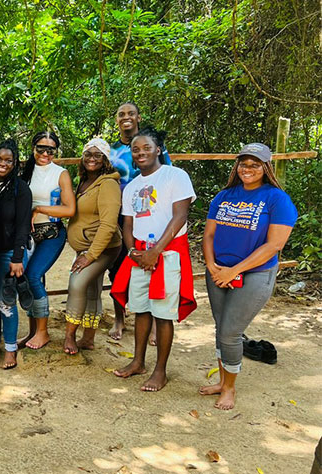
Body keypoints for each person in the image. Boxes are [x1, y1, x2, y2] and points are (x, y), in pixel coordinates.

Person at [200, 143, 296, 410]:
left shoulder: (277, 199)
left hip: (254, 274)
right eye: (244, 163)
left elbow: (274, 245)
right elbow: (209, 235)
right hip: (218, 271)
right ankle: (221, 381)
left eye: (255, 164)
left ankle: (229, 388)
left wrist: (235, 270)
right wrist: (211, 265)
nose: (248, 169)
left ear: (266, 168)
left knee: (231, 332)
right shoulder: (224, 196)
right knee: (221, 329)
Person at [110, 128, 197, 392]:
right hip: (139, 255)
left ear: (158, 149)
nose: (140, 153)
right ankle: (138, 362)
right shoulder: (133, 186)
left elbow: (179, 216)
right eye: (136, 149)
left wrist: (155, 252)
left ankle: (160, 371)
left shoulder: (175, 176)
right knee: (141, 309)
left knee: (162, 314)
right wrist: (132, 252)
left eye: (146, 147)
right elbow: (127, 223)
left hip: (167, 254)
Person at [108, 102, 172, 342]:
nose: (126, 117)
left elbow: (167, 177)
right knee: (117, 266)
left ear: (138, 117)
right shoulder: (112, 150)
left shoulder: (155, 145)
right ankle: (119, 318)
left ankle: (155, 323)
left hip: (151, 215)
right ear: (117, 120)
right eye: (121, 114)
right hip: (120, 215)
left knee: (153, 266)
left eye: (131, 113)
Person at [63, 138, 122, 354]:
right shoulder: (85, 181)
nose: (92, 159)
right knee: (92, 290)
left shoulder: (107, 184)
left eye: (98, 155)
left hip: (103, 248)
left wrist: (90, 255)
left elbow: (108, 225)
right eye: (88, 154)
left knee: (77, 283)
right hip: (87, 247)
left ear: (105, 159)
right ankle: (88, 339)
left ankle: (70, 335)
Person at [19, 131, 76, 350]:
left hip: (52, 232)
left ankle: (43, 332)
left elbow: (69, 209)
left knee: (34, 275)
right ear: (33, 148)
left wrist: (39, 208)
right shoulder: (26, 172)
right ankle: (32, 331)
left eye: (50, 150)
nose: (45, 154)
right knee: (27, 277)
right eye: (40, 149)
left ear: (56, 152)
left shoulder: (61, 173)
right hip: (28, 234)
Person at [0, 139, 32, 369]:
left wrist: (17, 257)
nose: (2, 164)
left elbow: (23, 225)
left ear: (15, 163)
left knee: (6, 300)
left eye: (8, 160)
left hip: (9, 252)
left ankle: (11, 349)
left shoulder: (20, 189)